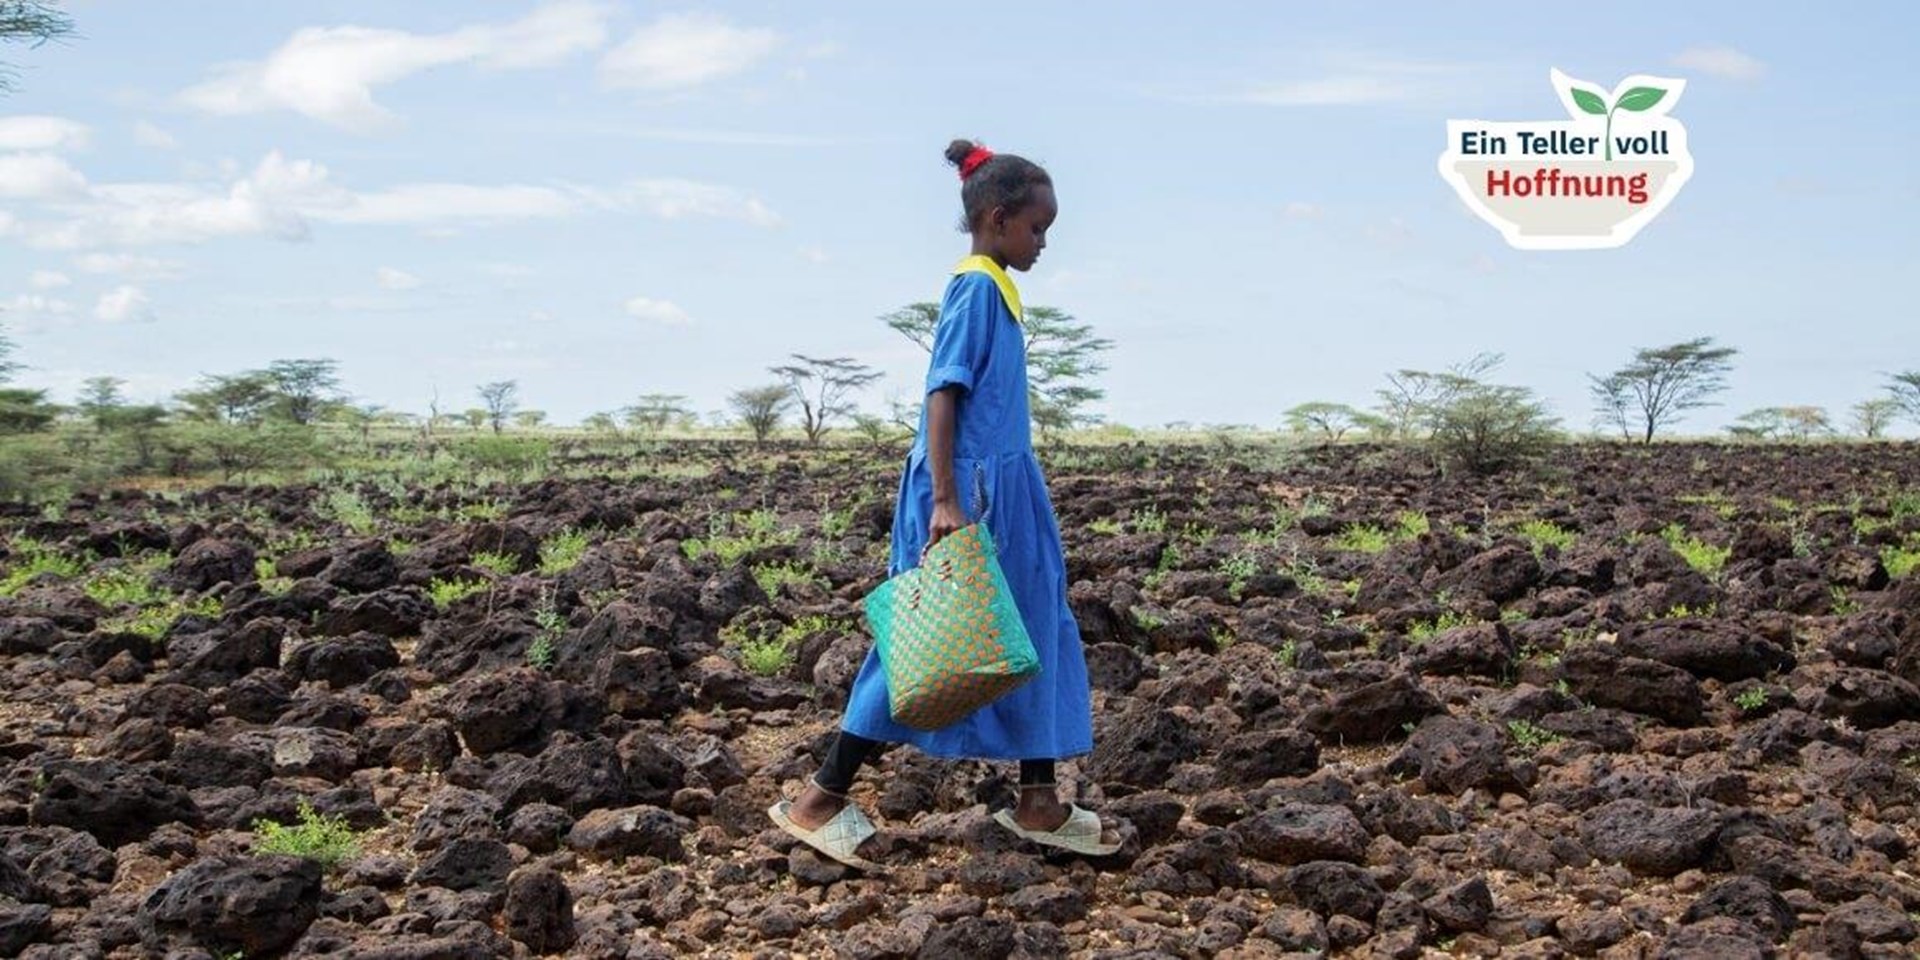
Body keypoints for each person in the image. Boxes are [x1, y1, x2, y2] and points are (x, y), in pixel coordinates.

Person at [768, 139, 1120, 867]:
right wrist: (949, 500)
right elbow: (941, 392)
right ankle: (820, 799)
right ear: (997, 219)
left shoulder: (996, 285)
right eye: (1037, 228)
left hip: (1003, 485)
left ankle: (1039, 799)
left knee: (1033, 630)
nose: (1045, 242)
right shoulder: (976, 288)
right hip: (969, 490)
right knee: (928, 641)